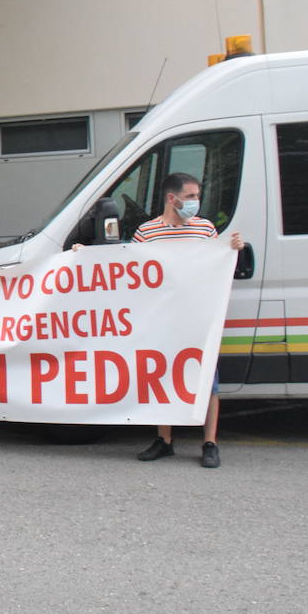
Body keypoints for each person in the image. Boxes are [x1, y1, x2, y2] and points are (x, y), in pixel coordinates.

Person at [129, 172, 243, 468]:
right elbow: (127, 267)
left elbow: (218, 265)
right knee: (163, 377)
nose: (196, 202)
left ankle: (210, 443)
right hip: (162, 318)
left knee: (208, 381)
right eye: (191, 196)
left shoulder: (205, 229)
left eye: (197, 196)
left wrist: (233, 249)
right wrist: (82, 256)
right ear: (172, 198)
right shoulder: (147, 232)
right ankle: (164, 440)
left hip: (198, 317)